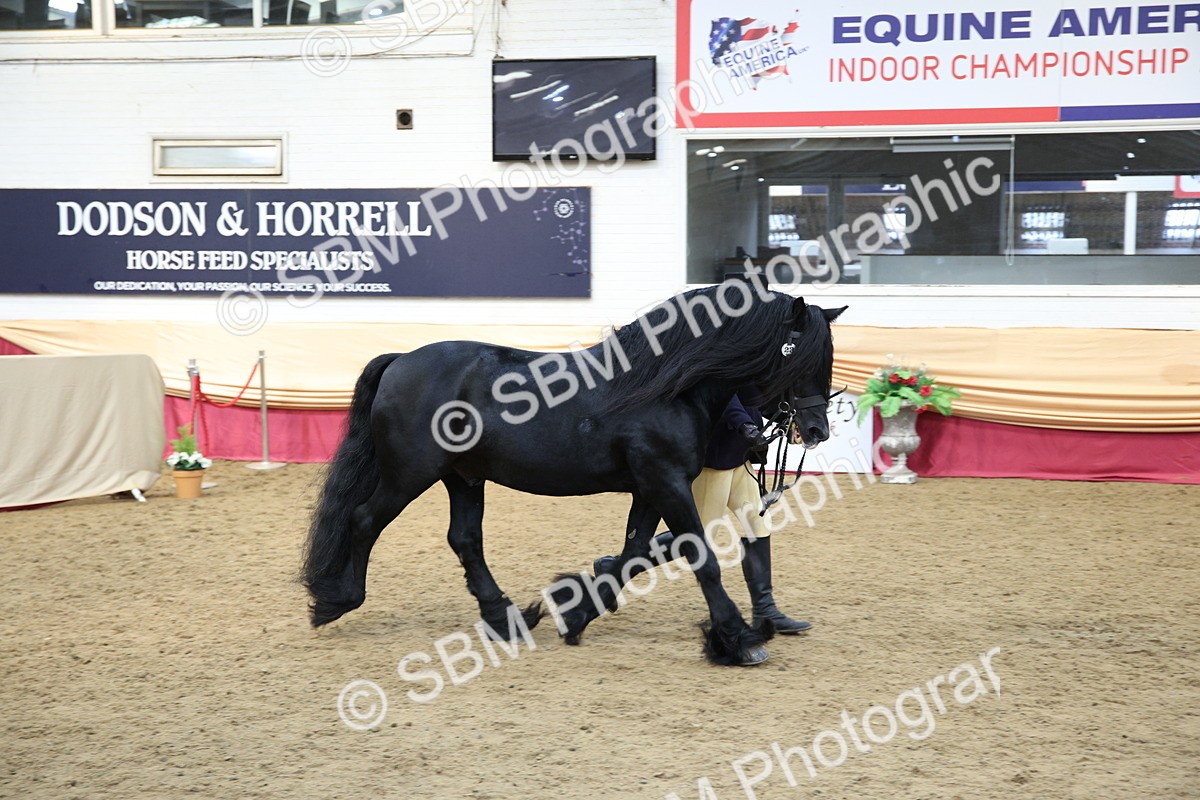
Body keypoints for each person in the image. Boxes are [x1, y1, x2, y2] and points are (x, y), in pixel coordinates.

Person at [595, 392, 811, 634]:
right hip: (716, 457)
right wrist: (746, 425)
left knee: (759, 523)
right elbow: (726, 396)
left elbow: (755, 398)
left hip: (741, 455)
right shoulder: (724, 358)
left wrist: (787, 420)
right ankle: (613, 568)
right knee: (699, 537)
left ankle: (764, 609)